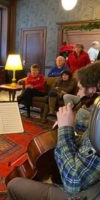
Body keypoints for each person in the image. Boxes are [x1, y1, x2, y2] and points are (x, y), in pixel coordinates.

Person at [7, 62, 100, 200]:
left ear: (94, 89)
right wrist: (73, 123)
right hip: (90, 182)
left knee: (14, 184)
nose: (78, 95)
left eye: (80, 89)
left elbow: (73, 183)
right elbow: (86, 141)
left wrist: (64, 129)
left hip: (84, 194)